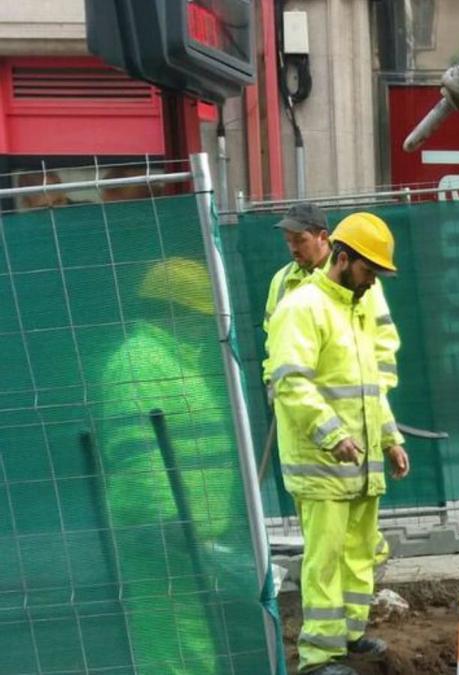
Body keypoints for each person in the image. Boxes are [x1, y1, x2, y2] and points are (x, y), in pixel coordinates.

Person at [266, 212, 410, 675]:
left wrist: (390, 439)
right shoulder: (302, 306)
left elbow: (370, 389)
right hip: (321, 462)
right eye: (369, 272)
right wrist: (333, 435)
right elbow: (290, 383)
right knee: (325, 560)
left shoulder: (353, 308)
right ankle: (318, 657)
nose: (372, 283)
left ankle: (349, 635)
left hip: (360, 461)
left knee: (358, 552)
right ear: (343, 259)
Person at [98, 257, 241, 673]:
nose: (202, 327)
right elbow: (137, 456)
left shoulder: (176, 363)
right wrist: (169, 524)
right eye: (197, 316)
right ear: (171, 312)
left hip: (185, 534)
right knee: (174, 647)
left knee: (190, 641)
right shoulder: (138, 365)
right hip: (160, 537)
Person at [263, 202, 401, 572]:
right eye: (289, 240)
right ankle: (329, 630)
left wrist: (375, 408)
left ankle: (350, 630)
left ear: (325, 239)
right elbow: (278, 353)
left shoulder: (360, 279)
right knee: (327, 550)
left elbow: (379, 352)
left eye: (301, 239)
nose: (293, 248)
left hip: (357, 429)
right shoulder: (288, 288)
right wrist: (275, 381)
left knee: (356, 549)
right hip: (317, 435)